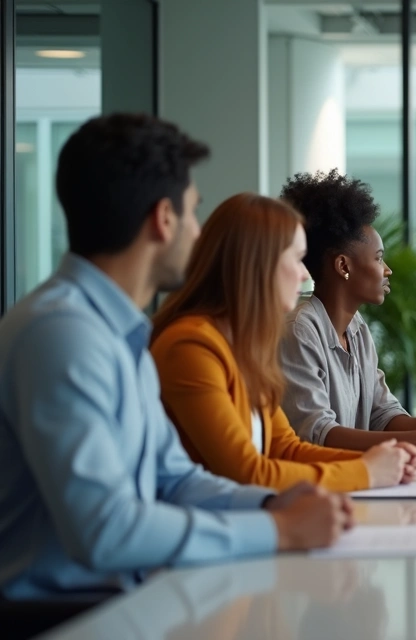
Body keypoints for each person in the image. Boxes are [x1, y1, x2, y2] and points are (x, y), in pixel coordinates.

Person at [0, 114, 349, 604]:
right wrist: (277, 530)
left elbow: (173, 478)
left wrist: (273, 501)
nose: (198, 231)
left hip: (126, 601)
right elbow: (106, 529)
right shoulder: (61, 335)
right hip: (61, 617)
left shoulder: (119, 332)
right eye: (191, 213)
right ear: (162, 219)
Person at [151, 193, 416, 493]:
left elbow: (288, 449)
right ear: (259, 264)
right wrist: (367, 471)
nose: (303, 274)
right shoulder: (190, 347)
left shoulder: (245, 348)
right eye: (295, 259)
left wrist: (380, 462)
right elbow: (247, 472)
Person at [278, 170, 416, 460]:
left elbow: (382, 414)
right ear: (343, 266)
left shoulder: (357, 328)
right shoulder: (300, 329)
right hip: (318, 485)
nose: (387, 269)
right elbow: (317, 434)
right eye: (378, 258)